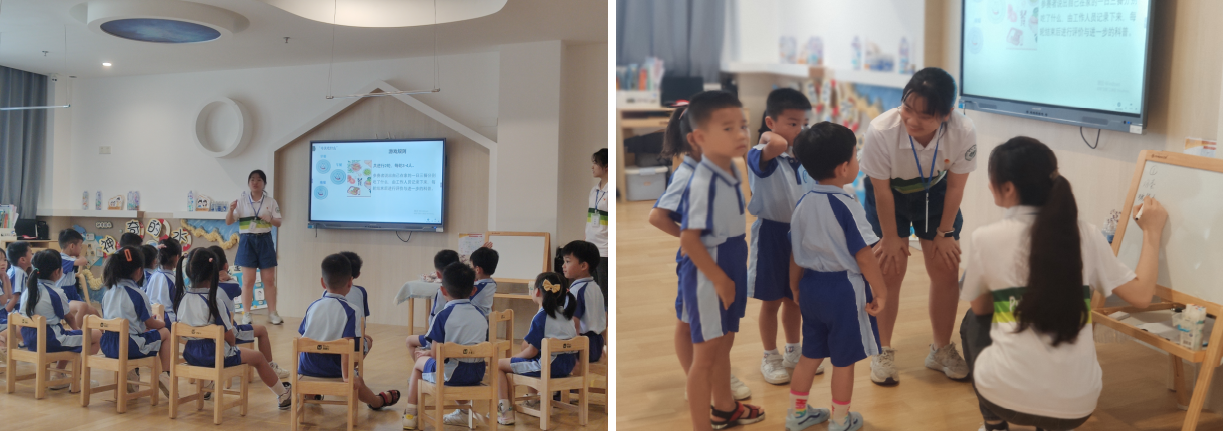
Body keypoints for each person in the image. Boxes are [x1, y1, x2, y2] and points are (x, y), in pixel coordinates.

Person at [961, 137, 1167, 431]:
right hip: (1077, 408)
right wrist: (1152, 231)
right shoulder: (1088, 234)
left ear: (1007, 189)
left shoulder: (986, 238)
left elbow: (981, 309)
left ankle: (994, 425)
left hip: (1004, 399)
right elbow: (1143, 295)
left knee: (972, 319)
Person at [859, 67, 975, 385]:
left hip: (935, 191)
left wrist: (945, 233)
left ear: (947, 114)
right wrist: (890, 237)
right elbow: (881, 191)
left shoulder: (963, 130)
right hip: (890, 194)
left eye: (924, 115)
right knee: (889, 270)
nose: (912, 120)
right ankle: (882, 350)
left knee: (946, 268)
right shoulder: (881, 130)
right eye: (907, 108)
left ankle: (940, 350)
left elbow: (956, 187)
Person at [786, 123, 889, 431]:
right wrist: (881, 291)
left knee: (810, 354)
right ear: (845, 167)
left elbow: (794, 253)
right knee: (844, 360)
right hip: (843, 291)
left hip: (810, 287)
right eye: (856, 156)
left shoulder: (802, 203)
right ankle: (840, 420)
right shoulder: (847, 204)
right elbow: (864, 255)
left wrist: (795, 286)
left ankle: (797, 414)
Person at [649, 106, 753, 401]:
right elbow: (657, 216)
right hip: (709, 257)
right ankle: (699, 380)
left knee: (725, 325)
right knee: (691, 323)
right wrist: (689, 239)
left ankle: (717, 374)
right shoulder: (688, 174)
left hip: (733, 251)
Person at [676, 90, 763, 430]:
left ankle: (725, 410)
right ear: (699, 138)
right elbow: (689, 239)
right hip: (710, 273)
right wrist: (720, 279)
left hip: (730, 260)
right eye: (728, 128)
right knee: (705, 358)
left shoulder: (728, 171)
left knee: (722, 345)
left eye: (743, 125)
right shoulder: (703, 181)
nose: (741, 134)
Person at [748, 88, 818, 384]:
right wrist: (768, 135)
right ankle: (770, 355)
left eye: (804, 123)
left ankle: (793, 349)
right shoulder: (760, 153)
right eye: (792, 123)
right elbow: (775, 142)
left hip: (800, 235)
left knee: (795, 298)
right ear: (770, 122)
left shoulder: (803, 156)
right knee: (771, 300)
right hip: (771, 235)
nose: (800, 130)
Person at [172, 247, 292, 409]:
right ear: (213, 272)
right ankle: (283, 394)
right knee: (258, 357)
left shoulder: (182, 299)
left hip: (191, 354)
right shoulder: (214, 302)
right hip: (215, 355)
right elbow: (230, 338)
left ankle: (208, 385)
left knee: (213, 349)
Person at [298, 253, 400, 410]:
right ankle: (377, 402)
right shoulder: (352, 310)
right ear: (350, 282)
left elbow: (303, 338)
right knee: (358, 381)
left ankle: (310, 394)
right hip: (335, 369)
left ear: (322, 282)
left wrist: (302, 369)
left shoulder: (312, 306)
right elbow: (347, 345)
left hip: (307, 368)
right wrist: (347, 376)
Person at [402, 262, 489, 429]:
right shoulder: (481, 315)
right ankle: (464, 413)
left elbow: (436, 353)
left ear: (443, 291)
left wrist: (427, 354)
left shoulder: (442, 316)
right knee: (449, 365)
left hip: (452, 374)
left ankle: (410, 415)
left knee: (419, 365)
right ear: (473, 290)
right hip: (477, 373)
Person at [494, 272, 580, 426]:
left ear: (537, 292)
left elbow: (531, 351)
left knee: (498, 365)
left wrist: (515, 357)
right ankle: (533, 400)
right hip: (567, 366)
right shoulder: (567, 315)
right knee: (516, 361)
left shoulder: (542, 317)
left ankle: (505, 412)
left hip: (549, 366)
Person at [20, 250, 103, 389]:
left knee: (71, 336)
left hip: (29, 338)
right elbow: (69, 317)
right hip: (50, 340)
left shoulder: (28, 291)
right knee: (96, 336)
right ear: (57, 272)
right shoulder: (56, 293)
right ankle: (79, 380)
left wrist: (75, 332)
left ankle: (59, 375)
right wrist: (78, 330)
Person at [99, 246, 174, 396]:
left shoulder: (108, 293)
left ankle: (131, 375)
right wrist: (161, 322)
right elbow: (150, 324)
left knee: (138, 334)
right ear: (139, 271)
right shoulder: (137, 294)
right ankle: (166, 374)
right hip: (129, 346)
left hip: (108, 345)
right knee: (165, 333)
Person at [227, 169, 283, 325]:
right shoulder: (241, 201)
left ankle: (272, 313)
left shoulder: (270, 201)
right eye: (252, 179)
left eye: (259, 180)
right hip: (247, 241)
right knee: (248, 280)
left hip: (265, 240)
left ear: (264, 183)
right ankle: (246, 313)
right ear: (248, 182)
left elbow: (279, 222)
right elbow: (229, 222)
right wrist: (231, 210)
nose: (255, 182)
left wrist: (270, 218)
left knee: (269, 280)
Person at [561, 240, 607, 362]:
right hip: (597, 344)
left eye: (567, 261)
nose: (563, 266)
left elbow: (573, 323)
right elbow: (604, 317)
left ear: (583, 266)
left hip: (583, 347)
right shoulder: (596, 288)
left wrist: (572, 351)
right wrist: (602, 345)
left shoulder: (576, 291)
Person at [406, 250, 461, 353]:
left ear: (438, 274)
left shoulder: (442, 292)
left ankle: (427, 363)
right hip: (464, 340)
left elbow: (435, 320)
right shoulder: (467, 289)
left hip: (441, 342)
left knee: (410, 340)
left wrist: (430, 350)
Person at [56, 229, 102, 323]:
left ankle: (104, 330)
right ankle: (76, 330)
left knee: (94, 311)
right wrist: (79, 255)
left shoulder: (68, 258)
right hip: (62, 294)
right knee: (82, 307)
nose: (81, 249)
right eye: (80, 246)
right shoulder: (62, 259)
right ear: (72, 246)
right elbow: (83, 261)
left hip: (72, 291)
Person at [336, 251, 373, 356]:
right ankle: (353, 365)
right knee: (368, 341)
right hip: (352, 343)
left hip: (328, 340)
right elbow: (362, 321)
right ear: (358, 274)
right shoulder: (361, 292)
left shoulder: (325, 293)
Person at [586, 148, 610, 304]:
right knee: (593, 293)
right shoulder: (594, 190)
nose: (592, 167)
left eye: (595, 163)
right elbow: (589, 218)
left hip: (605, 250)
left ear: (606, 167)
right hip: (591, 248)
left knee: (604, 295)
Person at [144, 238, 181, 322]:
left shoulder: (153, 276)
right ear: (177, 257)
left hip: (151, 318)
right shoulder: (173, 280)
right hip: (167, 321)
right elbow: (179, 307)